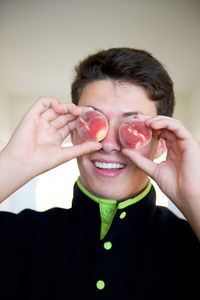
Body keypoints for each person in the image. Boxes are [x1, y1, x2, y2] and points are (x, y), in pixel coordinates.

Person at [0, 48, 199, 300]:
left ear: (161, 143)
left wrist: (196, 197)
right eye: (93, 121)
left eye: (133, 126)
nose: (108, 144)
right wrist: (12, 164)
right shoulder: (18, 238)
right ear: (73, 131)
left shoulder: (190, 244)